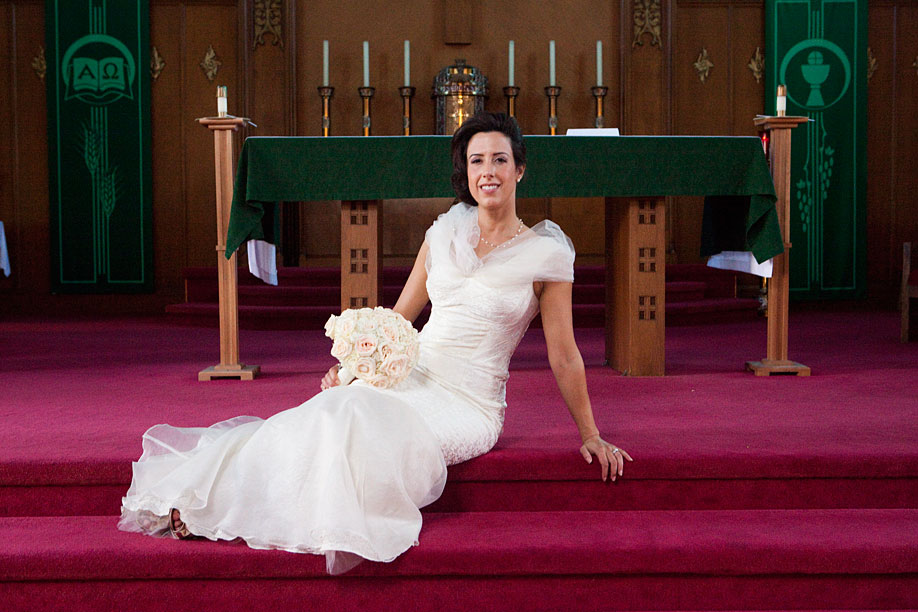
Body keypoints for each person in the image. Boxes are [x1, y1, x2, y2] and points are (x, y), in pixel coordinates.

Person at [119, 111, 632, 575]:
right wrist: (354, 365)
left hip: (470, 400)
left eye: (500, 159)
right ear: (466, 173)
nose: (488, 171)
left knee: (367, 424)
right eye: (477, 161)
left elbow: (563, 353)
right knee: (338, 405)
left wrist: (591, 433)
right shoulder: (445, 231)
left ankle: (245, 508)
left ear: (520, 170)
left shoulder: (545, 254)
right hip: (412, 370)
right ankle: (212, 500)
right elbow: (400, 317)